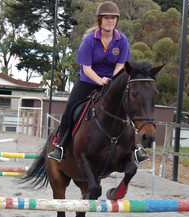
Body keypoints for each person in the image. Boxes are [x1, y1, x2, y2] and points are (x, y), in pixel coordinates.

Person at [48, 1, 149, 163]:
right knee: (71, 106)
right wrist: (100, 80)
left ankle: (135, 147)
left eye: (113, 18)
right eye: (107, 18)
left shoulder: (121, 40)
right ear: (100, 20)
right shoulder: (89, 41)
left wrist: (113, 80)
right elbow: (86, 68)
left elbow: (120, 65)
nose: (110, 21)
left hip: (112, 80)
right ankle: (60, 145)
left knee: (128, 106)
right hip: (89, 79)